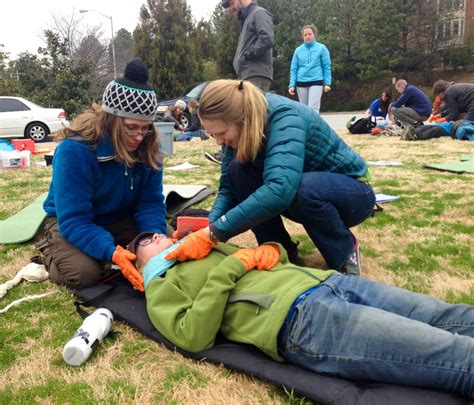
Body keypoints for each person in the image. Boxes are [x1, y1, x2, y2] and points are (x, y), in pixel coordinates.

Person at [128, 232, 474, 399]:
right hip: (301, 320)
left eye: (157, 228)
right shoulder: (160, 284)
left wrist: (270, 249)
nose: (156, 233)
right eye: (144, 239)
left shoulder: (199, 245)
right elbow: (192, 335)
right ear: (140, 262)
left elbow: (268, 255)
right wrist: (229, 269)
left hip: (330, 282)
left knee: (451, 316)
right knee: (454, 357)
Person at [167, 79, 376, 276]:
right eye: (214, 135)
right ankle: (278, 249)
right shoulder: (240, 129)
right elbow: (228, 187)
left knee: (302, 189)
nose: (218, 142)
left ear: (241, 120)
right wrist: (209, 227)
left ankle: (344, 252)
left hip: (353, 194)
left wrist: (215, 233)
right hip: (303, 190)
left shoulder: (284, 117)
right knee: (237, 172)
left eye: (221, 133)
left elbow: (280, 190)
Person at [39, 58, 167, 291]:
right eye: (131, 128)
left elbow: (150, 202)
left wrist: (152, 238)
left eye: (146, 127)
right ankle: (50, 251)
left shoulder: (148, 146)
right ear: (111, 121)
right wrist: (113, 253)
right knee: (84, 273)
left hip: (120, 218)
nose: (140, 136)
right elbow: (74, 220)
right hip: (71, 222)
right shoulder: (75, 150)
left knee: (163, 249)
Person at [221, 0, 274, 92]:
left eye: (232, 2)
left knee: (253, 106)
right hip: (247, 75)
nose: (231, 8)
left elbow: (267, 38)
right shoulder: (247, 19)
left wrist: (248, 55)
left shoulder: (259, 13)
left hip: (256, 75)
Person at [288, 24, 332, 114]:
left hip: (316, 81)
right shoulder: (298, 50)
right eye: (305, 35)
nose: (307, 36)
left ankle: (314, 128)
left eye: (309, 34)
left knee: (313, 109)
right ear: (303, 36)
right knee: (303, 109)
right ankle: (305, 128)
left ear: (314, 34)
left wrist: (327, 83)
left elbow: (326, 66)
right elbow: (294, 69)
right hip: (301, 83)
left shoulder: (322, 48)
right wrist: (291, 85)